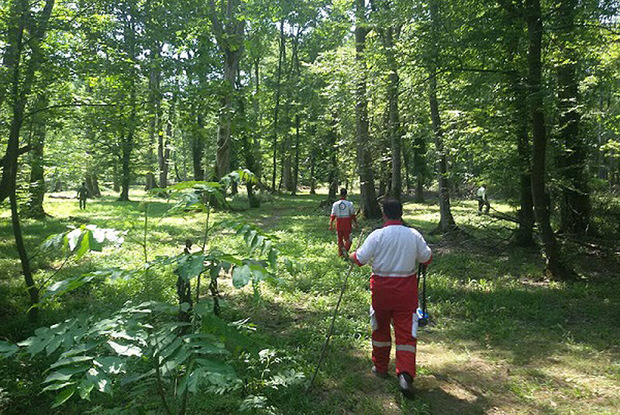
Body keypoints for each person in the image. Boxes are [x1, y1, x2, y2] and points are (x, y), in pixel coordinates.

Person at [349, 198, 432, 399]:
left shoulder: (377, 235)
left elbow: (359, 259)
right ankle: (405, 374)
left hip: (382, 292)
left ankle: (380, 367)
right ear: (401, 213)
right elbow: (426, 258)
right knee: (406, 335)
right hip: (406, 293)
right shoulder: (413, 235)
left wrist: (351, 254)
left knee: (380, 329)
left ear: (384, 214)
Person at [329, 188, 358, 257]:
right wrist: (355, 223)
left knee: (340, 239)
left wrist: (331, 225)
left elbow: (333, 216)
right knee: (348, 239)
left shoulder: (335, 204)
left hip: (339, 223)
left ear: (340, 194)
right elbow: (353, 215)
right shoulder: (349, 204)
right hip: (347, 223)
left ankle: (341, 253)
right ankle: (345, 249)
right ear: (346, 195)